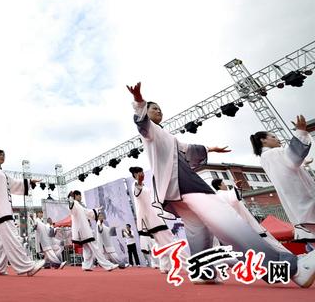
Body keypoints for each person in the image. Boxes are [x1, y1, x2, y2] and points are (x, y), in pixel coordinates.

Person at [127, 82, 315, 287]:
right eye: (154, 108)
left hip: (174, 190)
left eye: (160, 108)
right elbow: (142, 124)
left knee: (197, 229)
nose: (159, 111)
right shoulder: (150, 131)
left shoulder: (167, 136)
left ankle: (202, 271)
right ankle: (289, 269)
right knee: (229, 222)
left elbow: (187, 148)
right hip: (186, 185)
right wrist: (138, 101)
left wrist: (211, 149)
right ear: (147, 111)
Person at [0, 138, 44, 276]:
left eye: (4, 154)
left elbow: (16, 184)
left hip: (4, 210)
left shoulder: (3, 174)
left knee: (3, 243)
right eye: (0, 154)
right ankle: (27, 267)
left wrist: (29, 182)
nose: (3, 156)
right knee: (13, 238)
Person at [251, 115, 315, 242]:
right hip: (304, 198)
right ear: (263, 140)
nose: (278, 139)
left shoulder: (266, 157)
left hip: (295, 201)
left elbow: (288, 168)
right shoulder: (273, 153)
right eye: (273, 137)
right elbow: (293, 158)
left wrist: (303, 164)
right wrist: (301, 132)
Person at [129, 166, 174, 272]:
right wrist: (139, 183)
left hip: (155, 216)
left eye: (142, 172)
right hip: (150, 219)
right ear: (135, 175)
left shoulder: (145, 187)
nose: (142, 174)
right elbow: (137, 191)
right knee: (168, 240)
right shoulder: (135, 185)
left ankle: (165, 267)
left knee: (161, 242)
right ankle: (185, 264)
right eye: (139, 172)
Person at [69, 190, 118, 272]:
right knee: (95, 248)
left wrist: (96, 210)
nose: (81, 197)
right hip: (83, 230)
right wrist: (70, 198)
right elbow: (71, 207)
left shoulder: (78, 205)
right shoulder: (74, 204)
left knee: (87, 249)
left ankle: (86, 265)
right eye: (80, 196)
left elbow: (87, 212)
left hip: (81, 230)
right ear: (76, 196)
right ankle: (107, 265)